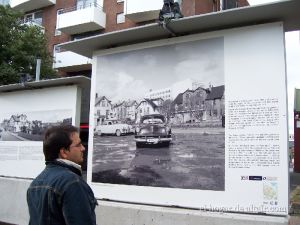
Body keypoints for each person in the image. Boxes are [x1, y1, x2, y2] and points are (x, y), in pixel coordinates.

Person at [27, 125, 97, 225]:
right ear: (63, 152)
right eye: (78, 145)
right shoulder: (72, 183)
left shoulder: (35, 184)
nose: (83, 148)